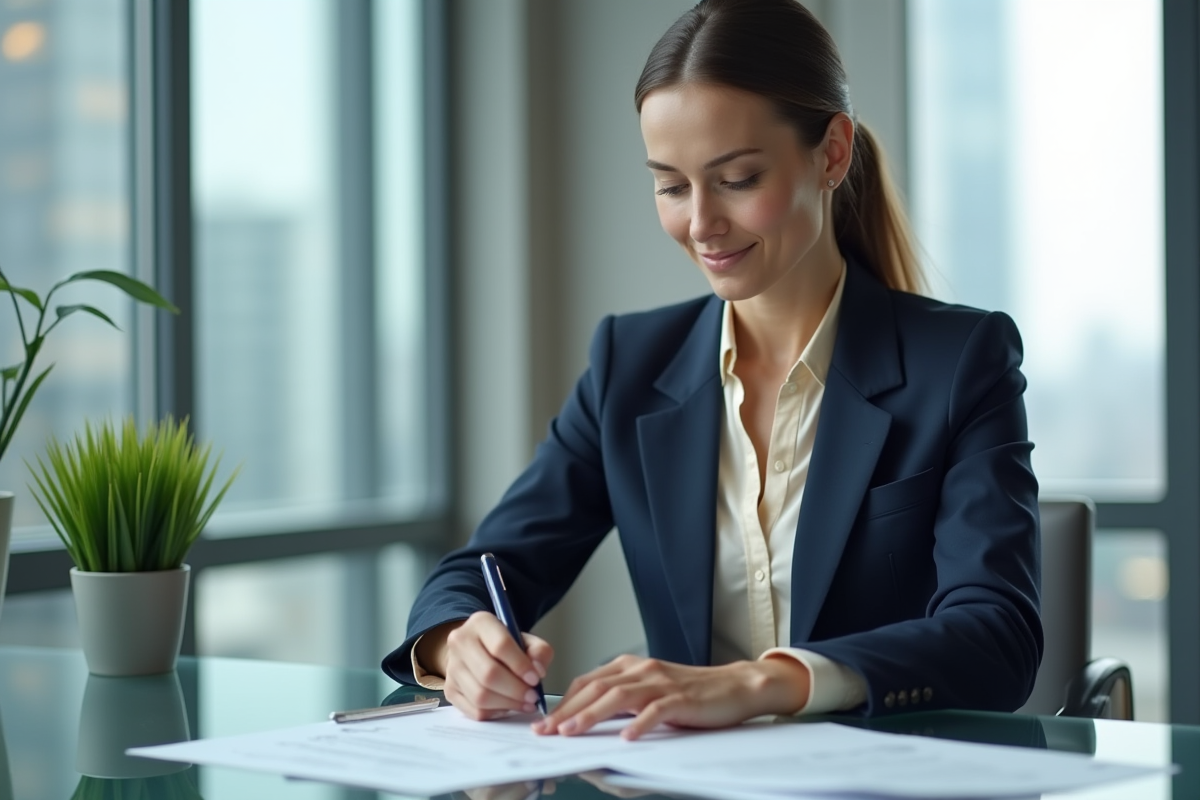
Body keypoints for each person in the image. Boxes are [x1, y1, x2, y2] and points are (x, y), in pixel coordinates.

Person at [382, 0, 1041, 741]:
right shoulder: (629, 368)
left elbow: (998, 636)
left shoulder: (959, 362)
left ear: (831, 153)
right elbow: (482, 568)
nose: (700, 224)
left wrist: (762, 682)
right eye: (670, 185)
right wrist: (456, 645)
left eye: (735, 179)